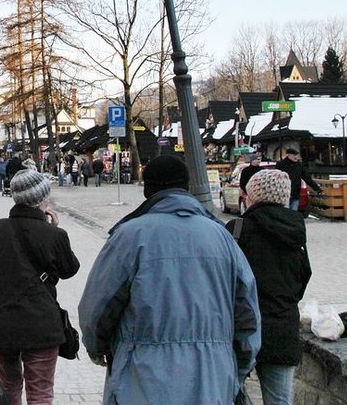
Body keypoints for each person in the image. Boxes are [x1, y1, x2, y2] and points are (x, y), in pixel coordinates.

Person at [78, 155, 260, 405]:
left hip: (141, 379)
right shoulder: (222, 237)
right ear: (186, 187)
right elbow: (247, 313)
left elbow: (97, 308)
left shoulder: (129, 237)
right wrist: (236, 368)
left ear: (147, 190)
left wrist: (98, 349)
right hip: (212, 377)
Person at [0, 168, 80, 405]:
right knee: (40, 394)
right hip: (42, 326)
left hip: (2, 326)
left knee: (8, 388)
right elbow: (70, 270)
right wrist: (56, 229)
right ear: (42, 199)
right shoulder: (54, 235)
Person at [227, 169, 312, 405]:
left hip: (239, 329)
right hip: (282, 329)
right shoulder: (296, 232)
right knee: (279, 400)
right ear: (285, 197)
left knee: (229, 395)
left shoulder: (237, 229)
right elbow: (302, 278)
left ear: (250, 196)